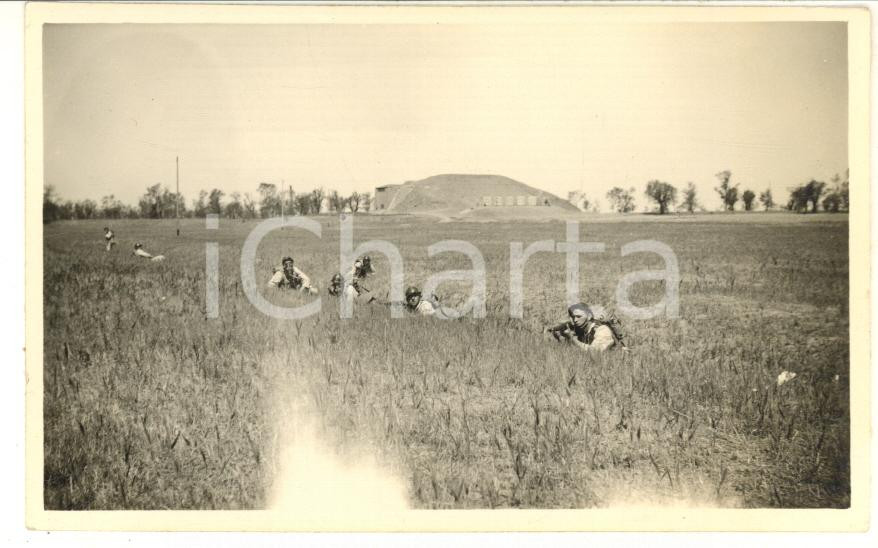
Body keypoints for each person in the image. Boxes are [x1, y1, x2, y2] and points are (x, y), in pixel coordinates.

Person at [544, 303, 625, 352]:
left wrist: (573, 339)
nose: (575, 320)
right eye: (573, 317)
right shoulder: (581, 327)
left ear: (589, 316)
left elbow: (594, 352)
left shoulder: (602, 330)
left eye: (578, 316)